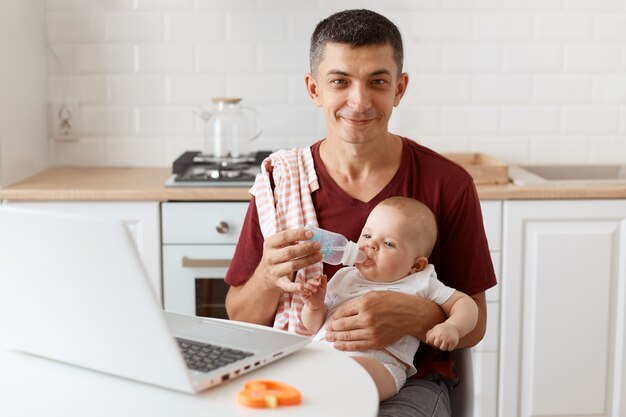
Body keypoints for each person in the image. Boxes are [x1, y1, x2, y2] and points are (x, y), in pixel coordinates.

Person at [225, 8, 497, 417]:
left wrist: (414, 316)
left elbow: (474, 325)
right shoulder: (283, 182)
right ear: (314, 89)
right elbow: (240, 318)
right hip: (306, 366)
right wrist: (268, 275)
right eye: (340, 81)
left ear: (399, 89)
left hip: (407, 382)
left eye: (378, 82)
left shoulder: (448, 183)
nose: (359, 101)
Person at [299, 197, 479, 401]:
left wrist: (453, 326)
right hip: (323, 357)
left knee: (349, 377)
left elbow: (464, 304)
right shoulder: (344, 277)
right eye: (367, 235)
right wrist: (314, 306)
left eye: (388, 243)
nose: (371, 245)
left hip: (380, 367)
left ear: (416, 265)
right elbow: (314, 326)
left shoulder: (419, 281)